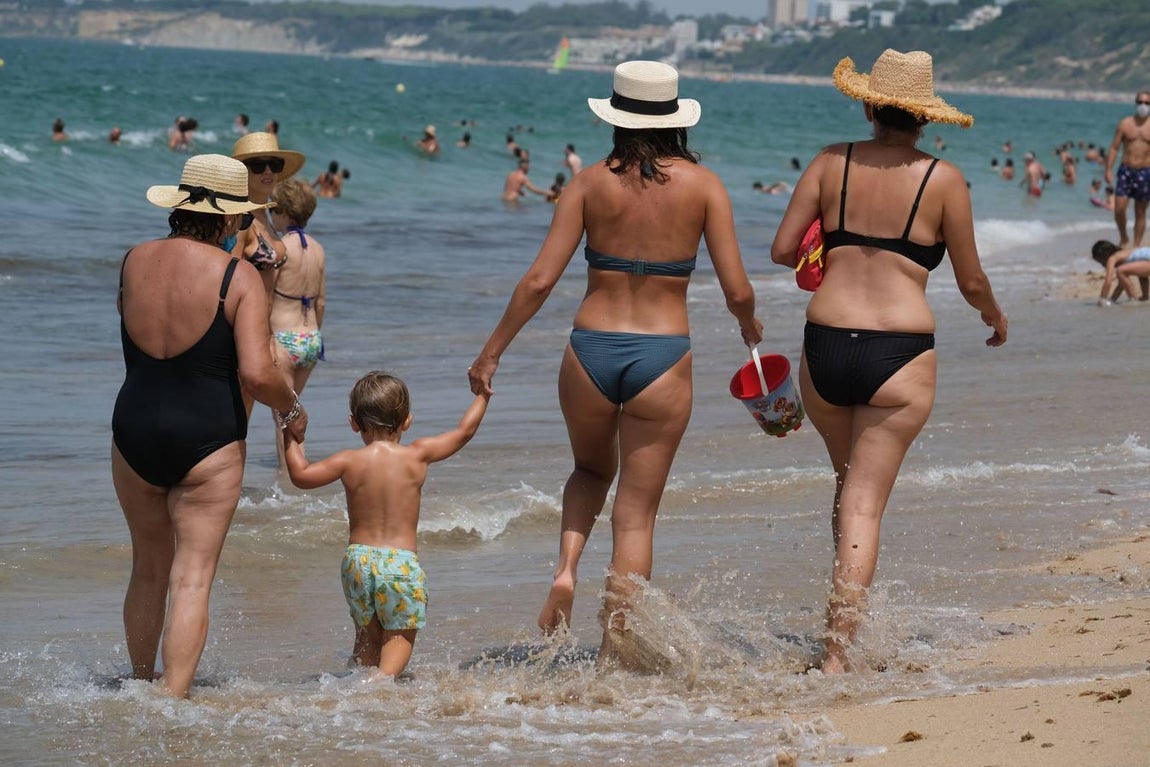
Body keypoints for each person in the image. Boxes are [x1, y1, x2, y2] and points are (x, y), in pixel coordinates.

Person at [469, 60, 761, 667]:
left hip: (589, 350)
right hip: (663, 355)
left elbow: (540, 279)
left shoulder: (588, 184)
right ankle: (612, 652)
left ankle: (567, 568)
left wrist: (491, 351)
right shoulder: (705, 186)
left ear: (616, 117)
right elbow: (737, 288)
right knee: (635, 514)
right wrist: (748, 327)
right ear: (674, 119)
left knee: (588, 471)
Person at [770, 49, 1006, 674]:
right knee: (865, 504)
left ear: (869, 105)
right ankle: (837, 654)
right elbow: (971, 279)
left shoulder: (830, 161)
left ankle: (839, 627)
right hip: (899, 353)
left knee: (848, 489)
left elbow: (781, 249)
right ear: (925, 118)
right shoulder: (943, 181)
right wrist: (994, 317)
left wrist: (833, 238)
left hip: (824, 342)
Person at [113, 154, 307, 698]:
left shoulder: (132, 261)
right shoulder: (237, 275)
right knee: (191, 578)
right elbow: (257, 372)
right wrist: (292, 410)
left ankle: (138, 684)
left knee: (148, 568)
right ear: (228, 219)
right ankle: (171, 702)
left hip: (132, 430)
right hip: (209, 437)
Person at [284, 372, 489, 678]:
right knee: (399, 635)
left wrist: (291, 430)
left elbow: (300, 475)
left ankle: (360, 686)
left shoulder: (348, 460)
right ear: (407, 420)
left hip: (357, 561)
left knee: (367, 637)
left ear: (354, 422)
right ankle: (378, 686)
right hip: (399, 564)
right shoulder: (417, 455)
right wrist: (482, 395)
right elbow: (464, 431)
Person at [269, 177, 327, 466]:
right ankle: (294, 470)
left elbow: (266, 297)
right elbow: (321, 302)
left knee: (284, 416)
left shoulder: (280, 249)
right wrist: (315, 337)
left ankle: (292, 478)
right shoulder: (318, 249)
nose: (271, 217)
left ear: (285, 211)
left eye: (273, 211)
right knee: (292, 411)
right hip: (311, 339)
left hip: (284, 339)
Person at [231, 132, 306, 299]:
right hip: (243, 322)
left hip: (265, 322)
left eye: (275, 164)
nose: (268, 171)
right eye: (258, 165)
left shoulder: (263, 217)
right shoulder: (241, 219)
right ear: (243, 172)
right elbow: (227, 281)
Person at [1104, 90, 1150, 248]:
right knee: (1119, 208)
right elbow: (1114, 148)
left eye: (1146, 103)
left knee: (1140, 211)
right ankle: (1124, 237)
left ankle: (1136, 246)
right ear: (1135, 104)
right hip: (1126, 170)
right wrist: (1108, 169)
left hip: (1146, 172)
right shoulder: (1125, 124)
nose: (1143, 106)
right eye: (1140, 102)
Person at [1091, 239, 1150, 305]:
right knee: (1140, 274)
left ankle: (1134, 299)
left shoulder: (1112, 258)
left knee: (1120, 270)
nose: (1102, 265)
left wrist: (1102, 299)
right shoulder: (1123, 255)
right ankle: (1145, 297)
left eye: (1100, 261)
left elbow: (1108, 281)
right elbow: (1121, 285)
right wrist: (1112, 300)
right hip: (1147, 260)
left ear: (1104, 256)